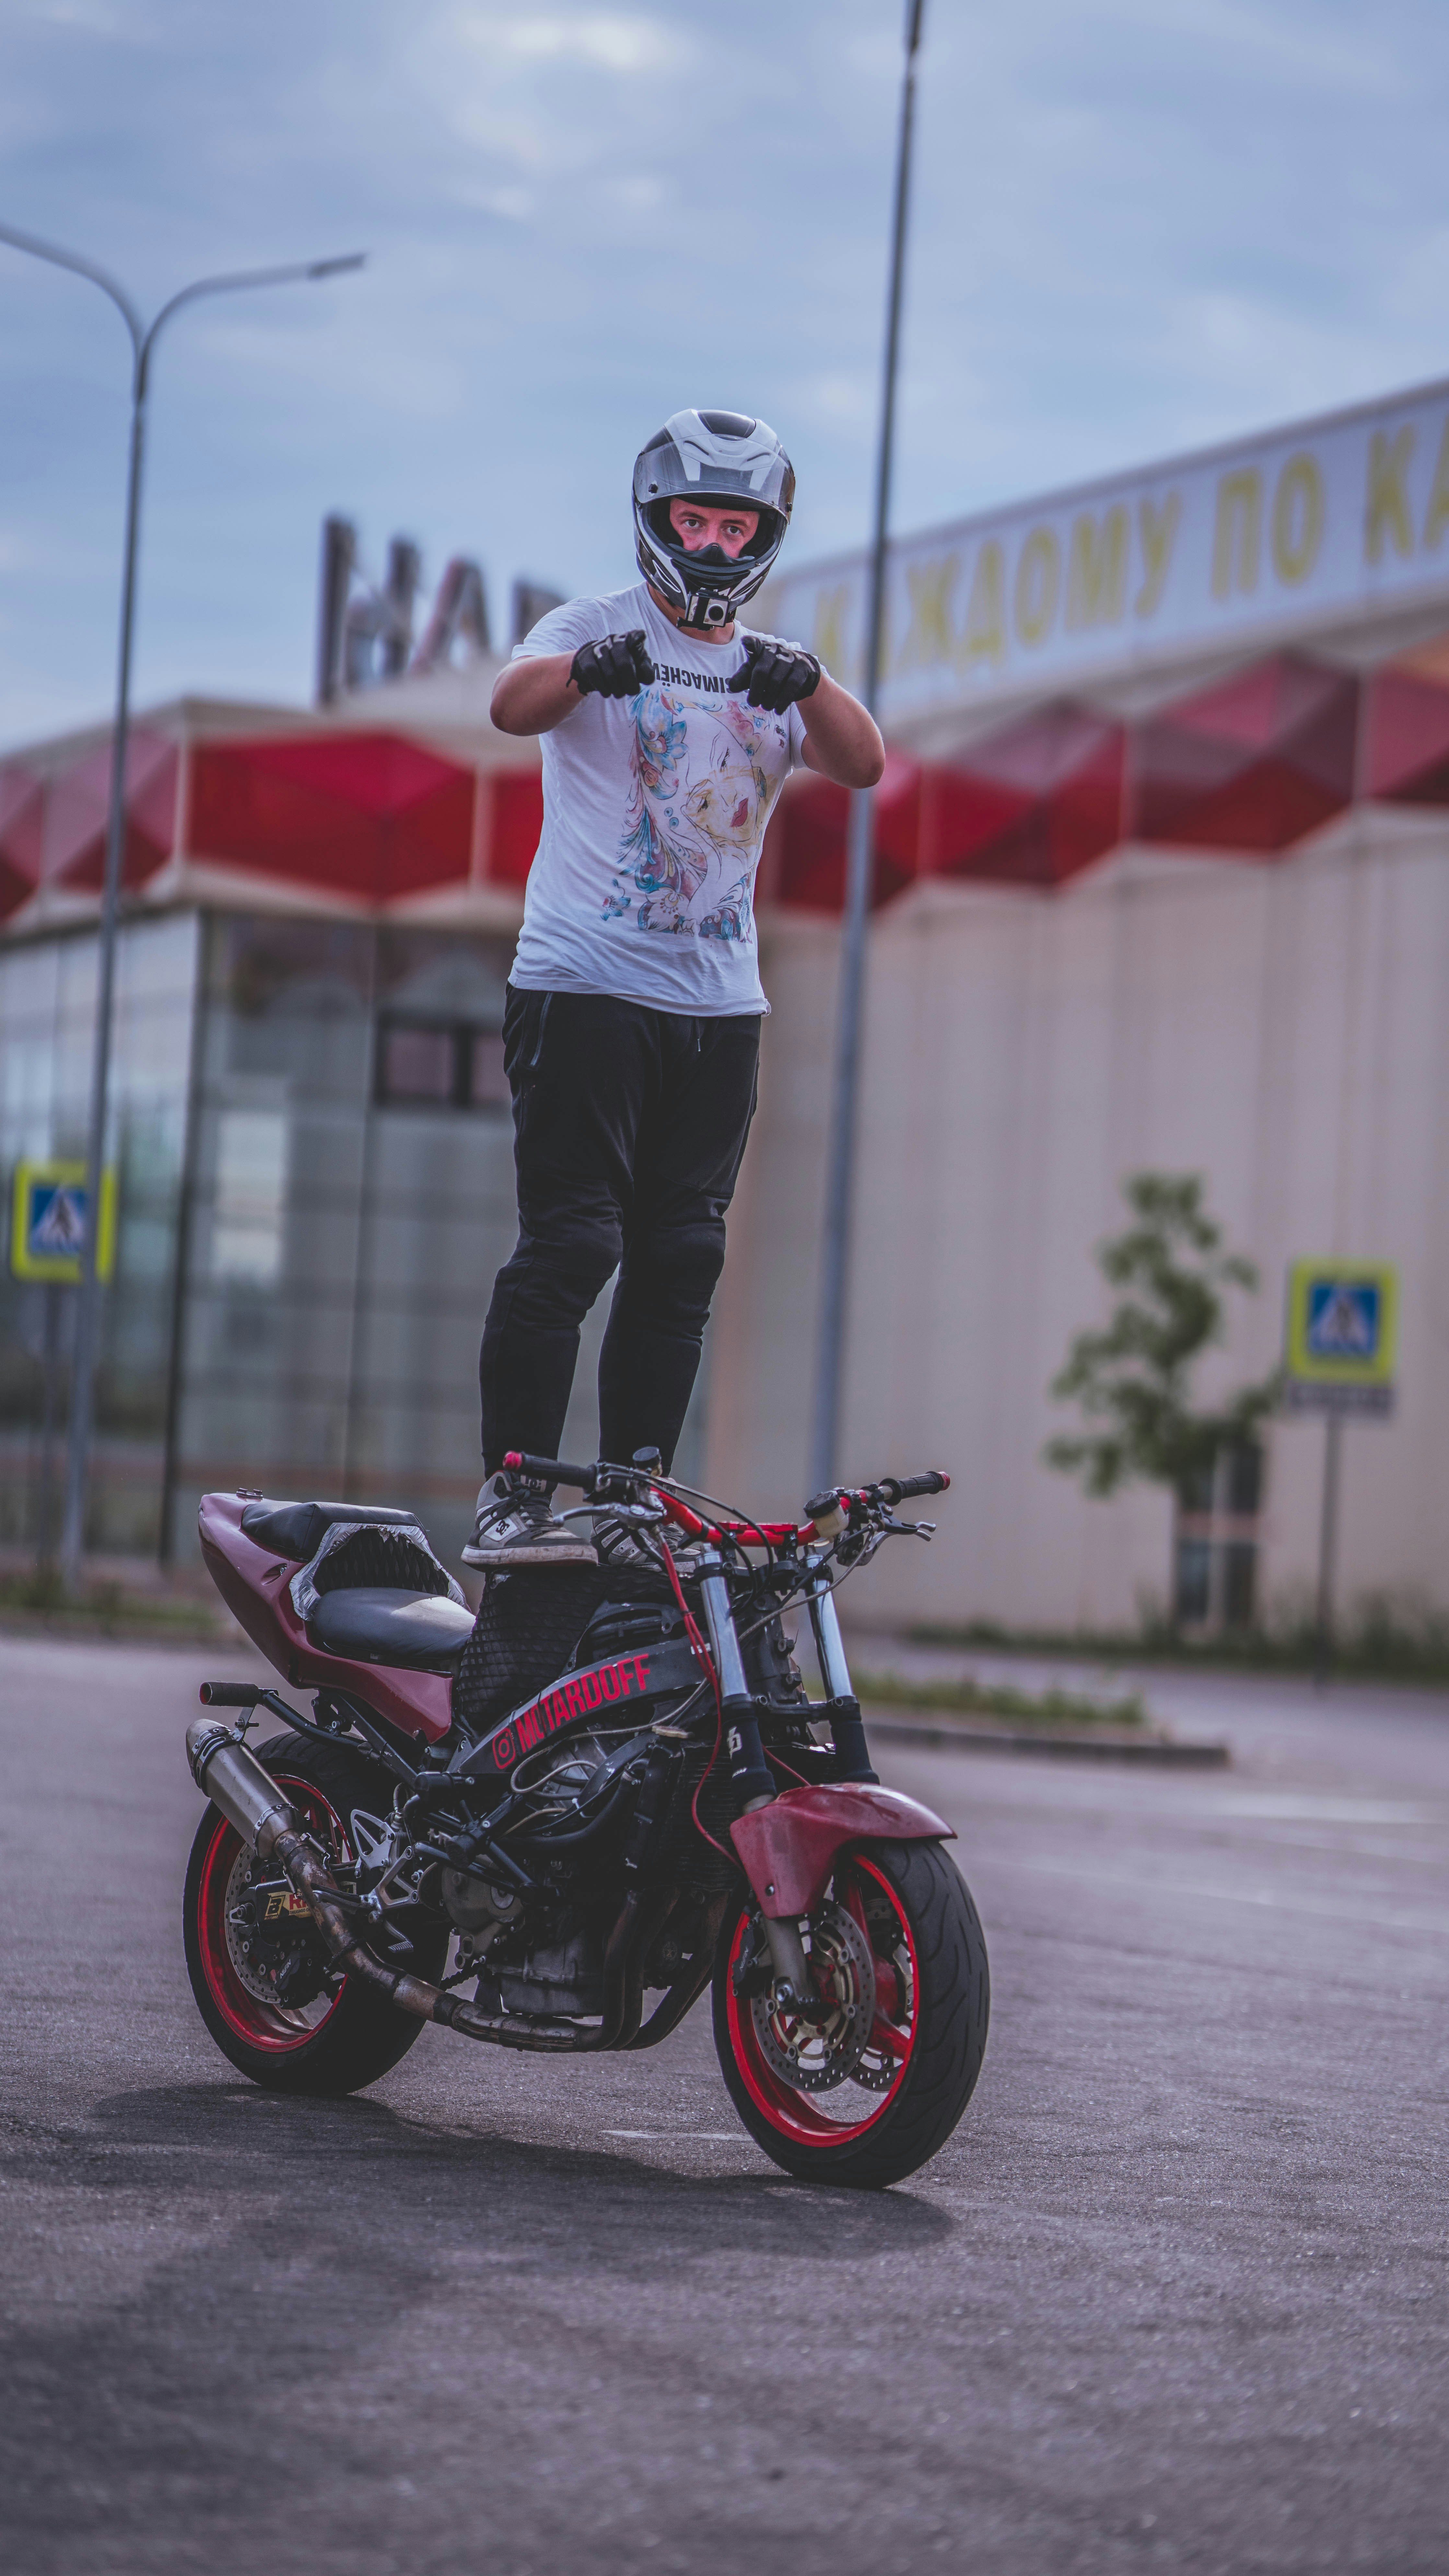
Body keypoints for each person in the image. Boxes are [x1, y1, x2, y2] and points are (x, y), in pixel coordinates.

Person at [464, 407, 884, 1567]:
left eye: (731, 524)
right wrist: (586, 674)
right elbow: (512, 705)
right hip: (586, 987)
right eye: (691, 520)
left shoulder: (773, 668)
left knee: (683, 1255)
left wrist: (810, 687)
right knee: (573, 1245)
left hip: (718, 1007)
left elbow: (864, 763)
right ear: (655, 522)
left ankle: (630, 1490)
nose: (708, 545)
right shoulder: (593, 624)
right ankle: (513, 1491)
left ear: (765, 534)